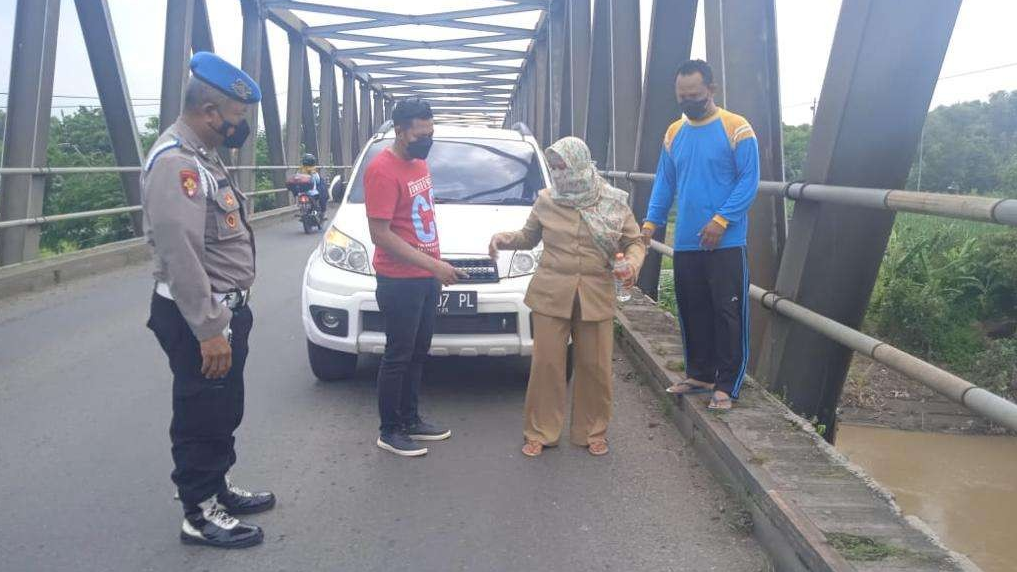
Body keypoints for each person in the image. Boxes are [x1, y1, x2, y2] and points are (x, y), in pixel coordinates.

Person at [144, 52, 275, 549]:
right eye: (236, 119)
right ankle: (198, 513)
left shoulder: (203, 156)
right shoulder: (177, 162)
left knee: (223, 407)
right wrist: (208, 328)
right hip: (199, 314)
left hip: (222, 309)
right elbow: (179, 253)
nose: (239, 128)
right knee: (201, 410)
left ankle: (216, 486)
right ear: (209, 111)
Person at [490, 137, 646, 457]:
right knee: (547, 364)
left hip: (596, 293)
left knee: (595, 366)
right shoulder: (547, 200)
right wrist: (504, 239)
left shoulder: (613, 202)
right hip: (550, 292)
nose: (559, 173)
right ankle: (540, 431)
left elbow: (635, 242)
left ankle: (593, 431)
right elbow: (528, 237)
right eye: (554, 167)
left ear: (579, 163)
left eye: (563, 166)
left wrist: (631, 264)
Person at [641, 59, 759, 411]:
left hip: (726, 242)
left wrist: (722, 220)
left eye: (695, 95)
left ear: (711, 89)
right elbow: (665, 182)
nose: (688, 102)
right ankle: (701, 374)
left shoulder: (737, 128)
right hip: (688, 241)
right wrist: (650, 223)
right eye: (682, 97)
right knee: (692, 308)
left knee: (727, 312)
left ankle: (727, 383)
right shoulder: (674, 133)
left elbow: (748, 181)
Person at [364, 97, 466, 457]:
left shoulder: (420, 164)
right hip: (399, 279)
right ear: (400, 131)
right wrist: (433, 266)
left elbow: (420, 220)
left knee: (418, 351)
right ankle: (389, 429)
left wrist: (435, 265)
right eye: (420, 134)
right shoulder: (381, 170)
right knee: (398, 353)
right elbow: (382, 234)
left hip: (424, 276)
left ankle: (410, 418)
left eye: (430, 132)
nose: (427, 139)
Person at [299, 153, 329, 219]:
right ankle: (323, 213)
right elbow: (318, 180)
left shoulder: (300, 170)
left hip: (302, 192)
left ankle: (303, 212)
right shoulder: (313, 171)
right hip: (313, 192)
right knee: (322, 194)